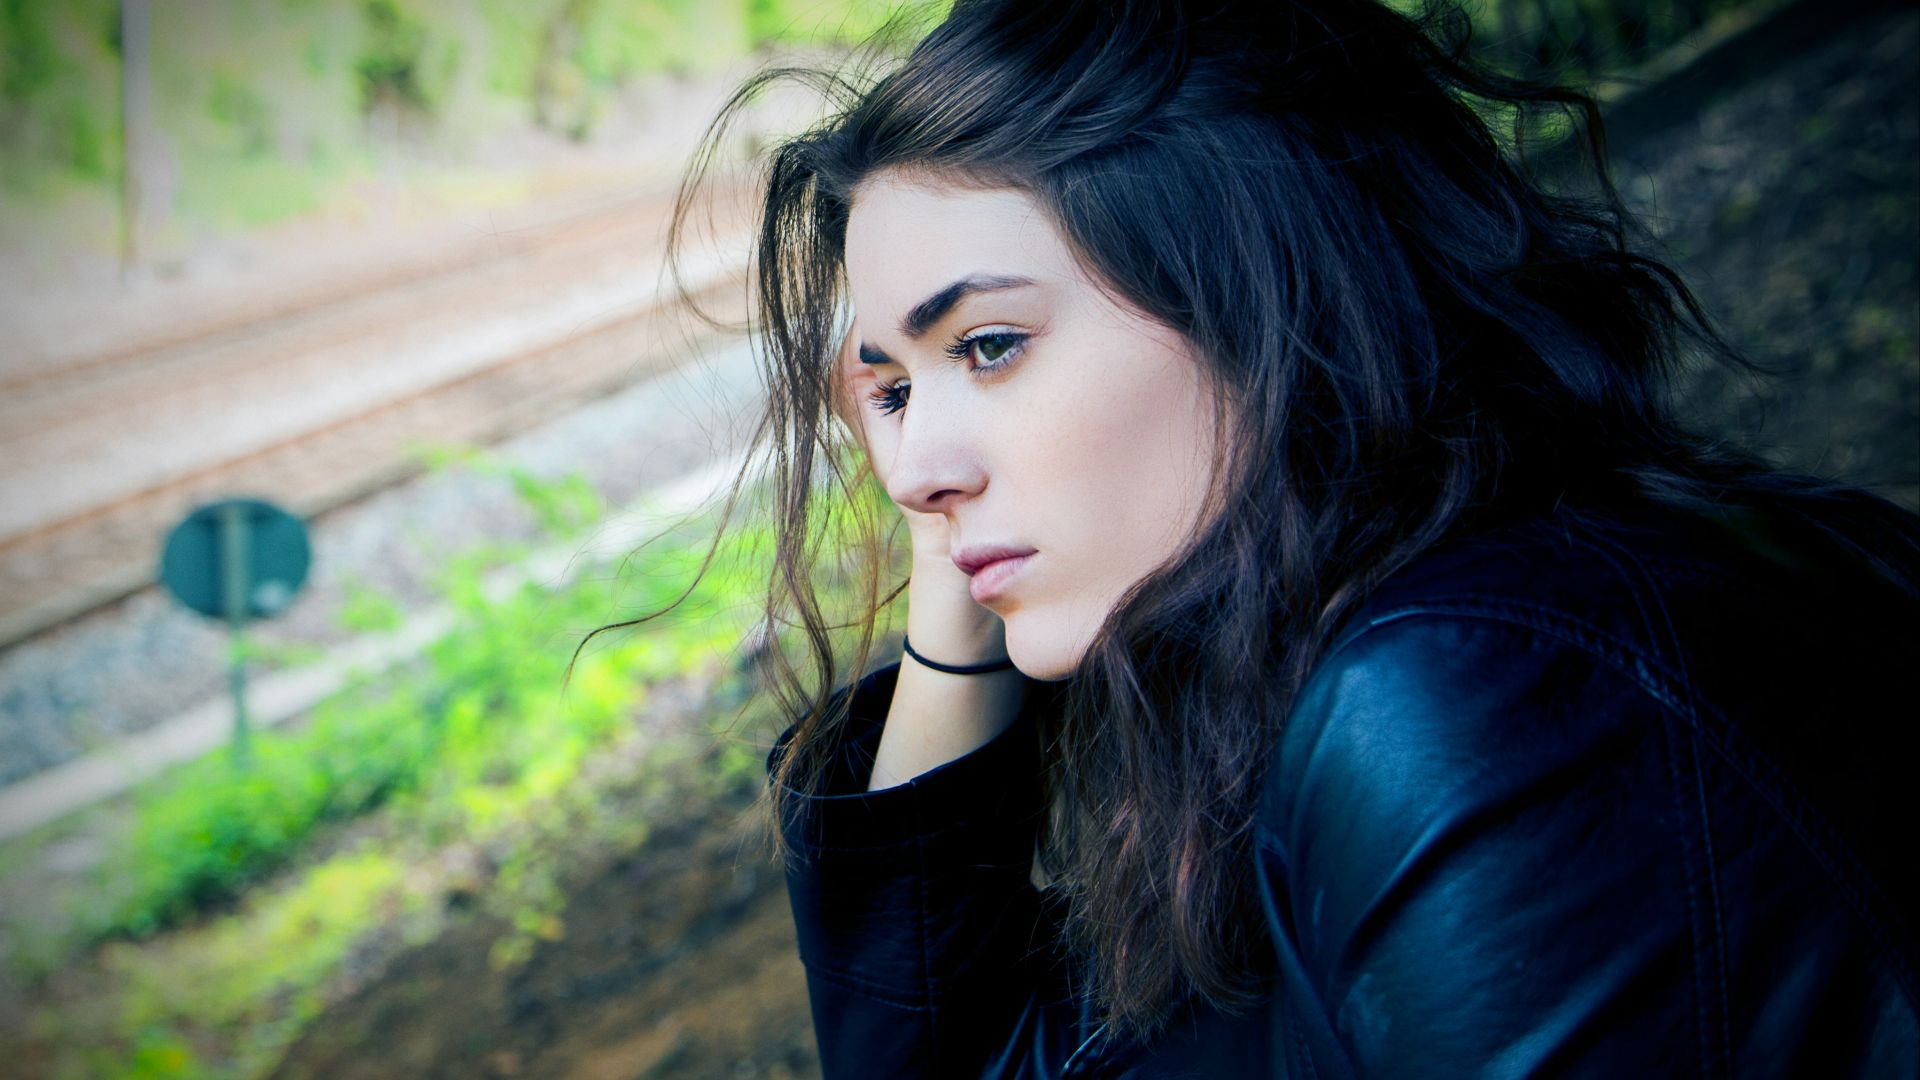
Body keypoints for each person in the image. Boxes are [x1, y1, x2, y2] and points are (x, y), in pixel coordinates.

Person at [606, 0, 1920, 1074]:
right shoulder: (1322, 675)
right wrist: (955, 637)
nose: (914, 474)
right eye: (889, 391)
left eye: (989, 346)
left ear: (1263, 299)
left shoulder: (1480, 698)